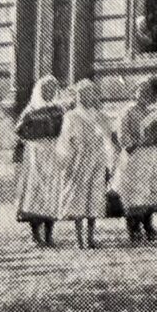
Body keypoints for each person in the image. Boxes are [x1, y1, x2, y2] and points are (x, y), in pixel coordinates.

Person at [114, 76, 157, 240]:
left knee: (151, 190)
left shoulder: (155, 112)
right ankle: (133, 226)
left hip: (153, 156)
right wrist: (137, 142)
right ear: (135, 92)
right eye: (141, 91)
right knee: (135, 192)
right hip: (136, 156)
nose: (144, 95)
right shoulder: (128, 111)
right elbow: (123, 135)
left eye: (148, 92)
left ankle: (148, 224)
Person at [55, 80, 115, 248]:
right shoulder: (71, 116)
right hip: (78, 160)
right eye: (82, 94)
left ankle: (90, 237)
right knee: (78, 196)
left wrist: (110, 161)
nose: (85, 97)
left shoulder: (100, 116)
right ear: (77, 97)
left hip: (97, 159)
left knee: (94, 196)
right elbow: (65, 140)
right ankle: (79, 238)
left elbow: (108, 139)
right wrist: (65, 161)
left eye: (89, 94)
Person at [14, 76, 68, 246]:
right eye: (46, 89)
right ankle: (36, 234)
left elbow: (66, 130)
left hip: (53, 151)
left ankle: (49, 234)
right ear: (39, 90)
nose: (49, 93)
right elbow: (19, 130)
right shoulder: (31, 110)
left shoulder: (59, 110)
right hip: (35, 153)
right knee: (35, 191)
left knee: (52, 191)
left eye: (52, 90)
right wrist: (32, 138)